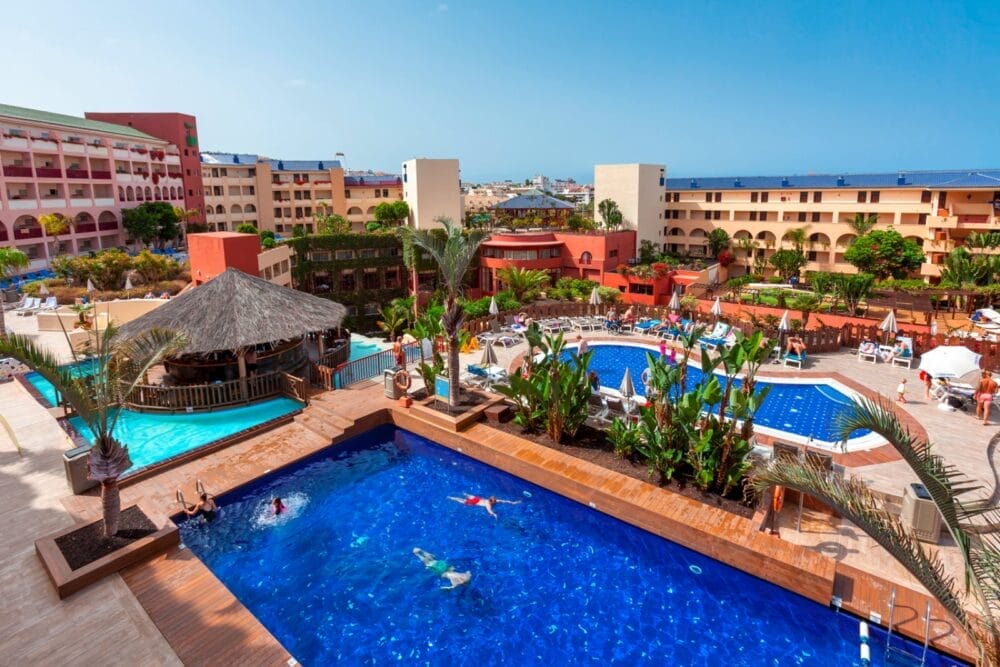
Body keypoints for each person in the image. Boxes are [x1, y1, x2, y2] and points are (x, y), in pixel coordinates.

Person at [447, 493, 521, 519]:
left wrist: (512, 502)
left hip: (477, 499)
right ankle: (451, 498)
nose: (496, 501)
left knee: (468, 496)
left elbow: (503, 501)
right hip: (474, 502)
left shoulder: (489, 501)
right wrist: (494, 514)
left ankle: (463, 494)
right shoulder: (488, 504)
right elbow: (489, 511)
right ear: (492, 501)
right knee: (462, 501)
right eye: (495, 501)